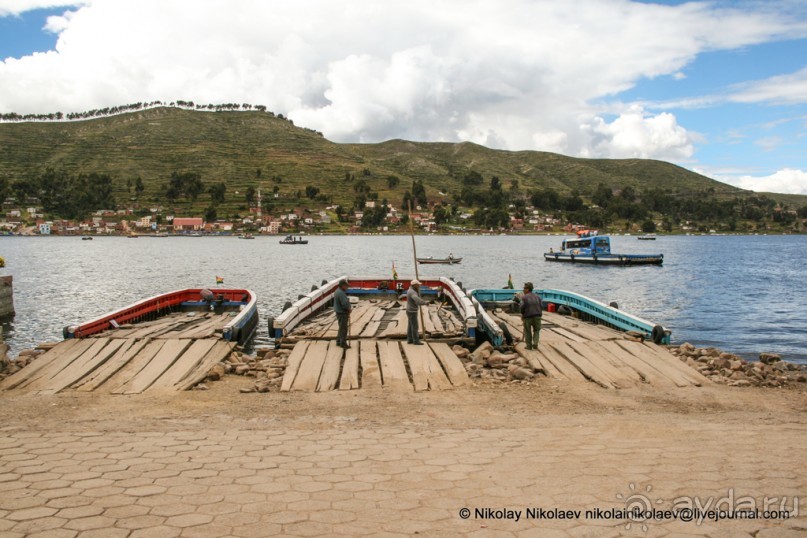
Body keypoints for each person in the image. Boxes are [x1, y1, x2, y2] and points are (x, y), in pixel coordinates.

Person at [519, 282, 543, 350]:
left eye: (524, 288)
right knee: (537, 330)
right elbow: (541, 306)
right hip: (537, 316)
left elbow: (522, 307)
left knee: (527, 331)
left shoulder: (524, 298)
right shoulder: (538, 297)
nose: (523, 290)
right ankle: (535, 343)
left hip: (527, 317)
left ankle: (529, 346)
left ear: (528, 289)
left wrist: (522, 315)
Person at [406, 280, 429, 345]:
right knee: (415, 326)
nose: (419, 286)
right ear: (414, 285)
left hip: (409, 310)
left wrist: (418, 291)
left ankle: (410, 339)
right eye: (418, 285)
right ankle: (416, 340)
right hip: (412, 311)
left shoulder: (410, 290)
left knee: (410, 326)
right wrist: (425, 302)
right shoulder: (412, 292)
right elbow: (417, 300)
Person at [334, 279, 352, 348]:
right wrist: (349, 309)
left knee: (341, 327)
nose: (347, 288)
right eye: (346, 286)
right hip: (342, 313)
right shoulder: (341, 293)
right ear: (343, 286)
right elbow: (344, 304)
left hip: (339, 312)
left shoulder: (337, 291)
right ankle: (343, 343)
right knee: (344, 328)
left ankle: (338, 341)